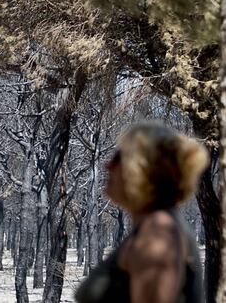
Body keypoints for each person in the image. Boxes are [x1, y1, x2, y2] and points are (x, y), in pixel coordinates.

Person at [75, 121, 208, 303]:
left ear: (142, 169)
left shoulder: (158, 234)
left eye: (117, 158)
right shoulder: (155, 227)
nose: (107, 166)